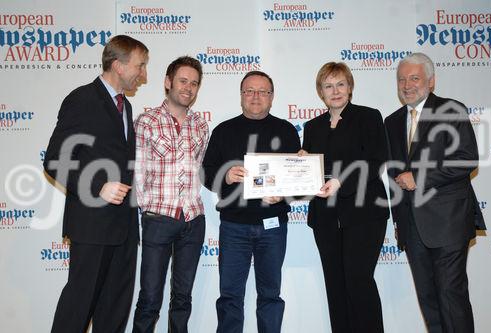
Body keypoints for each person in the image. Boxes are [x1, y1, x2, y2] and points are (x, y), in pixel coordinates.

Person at [43, 35, 148, 333]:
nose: (143, 74)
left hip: (125, 227)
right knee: (78, 308)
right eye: (140, 66)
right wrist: (97, 186)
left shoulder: (125, 107)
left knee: (115, 309)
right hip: (92, 225)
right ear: (118, 65)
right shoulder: (82, 99)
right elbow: (55, 159)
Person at [384, 52, 486, 333]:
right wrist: (399, 222)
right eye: (401, 79)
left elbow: (466, 159)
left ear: (431, 81)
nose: (407, 85)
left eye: (414, 78)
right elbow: (395, 177)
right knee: (428, 299)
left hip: (449, 221)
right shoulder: (391, 121)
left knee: (451, 297)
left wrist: (419, 177)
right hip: (412, 225)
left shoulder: (451, 109)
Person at [202, 71, 300, 333]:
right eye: (249, 91)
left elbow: (298, 179)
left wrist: (285, 193)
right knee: (230, 296)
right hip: (234, 226)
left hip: (273, 225)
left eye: (262, 91)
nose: (256, 97)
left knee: (270, 295)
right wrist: (226, 175)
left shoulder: (287, 131)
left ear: (271, 97)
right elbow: (206, 173)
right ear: (241, 95)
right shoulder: (223, 130)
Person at [300, 62, 389, 333]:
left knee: (358, 282)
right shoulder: (312, 126)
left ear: (350, 87)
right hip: (325, 218)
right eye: (328, 86)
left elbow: (376, 160)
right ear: (321, 92)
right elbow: (310, 170)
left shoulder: (369, 117)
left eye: (340, 84)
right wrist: (301, 166)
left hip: (364, 215)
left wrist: (340, 181)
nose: (335, 91)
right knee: (335, 287)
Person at [132, 56, 208, 333]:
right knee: (150, 299)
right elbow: (137, 172)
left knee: (183, 299)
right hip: (158, 219)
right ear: (168, 82)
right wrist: (147, 213)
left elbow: (199, 169)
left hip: (193, 219)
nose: (188, 88)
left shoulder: (200, 126)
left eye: (194, 83)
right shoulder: (147, 121)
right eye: (183, 81)